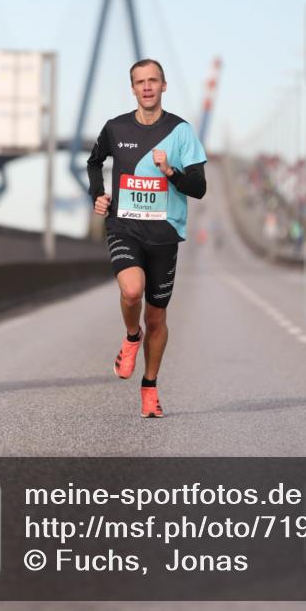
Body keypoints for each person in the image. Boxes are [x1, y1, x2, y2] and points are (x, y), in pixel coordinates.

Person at [87, 59, 206, 418]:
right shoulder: (115, 127)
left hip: (164, 233)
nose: (147, 87)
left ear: (164, 86)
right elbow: (94, 162)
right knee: (131, 291)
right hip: (124, 226)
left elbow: (199, 188)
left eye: (153, 80)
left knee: (156, 318)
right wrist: (98, 194)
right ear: (133, 89)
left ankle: (150, 386)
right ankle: (130, 336)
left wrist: (170, 171)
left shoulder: (181, 131)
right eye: (140, 82)